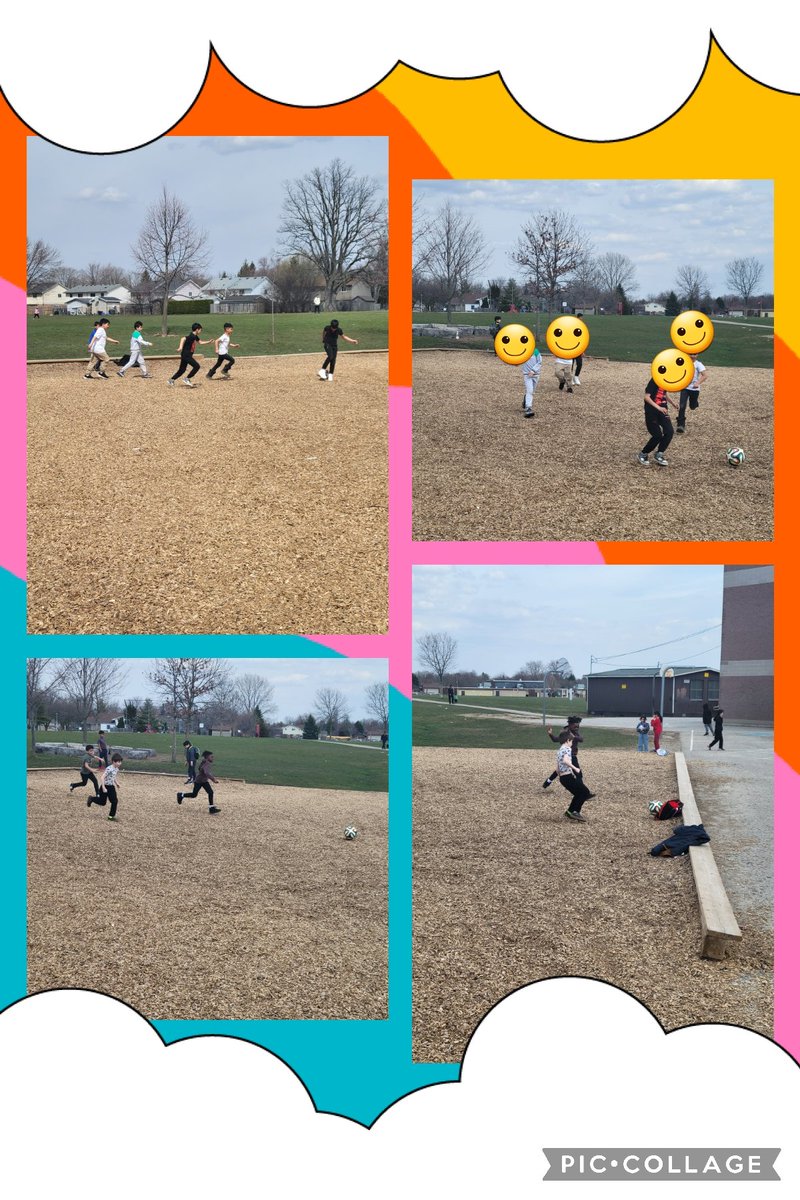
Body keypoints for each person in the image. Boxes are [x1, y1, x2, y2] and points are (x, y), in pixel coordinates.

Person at [637, 376, 680, 467]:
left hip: (663, 410)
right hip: (652, 411)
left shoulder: (665, 380)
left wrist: (672, 403)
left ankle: (659, 454)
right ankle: (643, 454)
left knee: (669, 432)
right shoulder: (654, 380)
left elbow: (664, 393)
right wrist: (659, 407)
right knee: (657, 435)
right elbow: (646, 397)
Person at [556, 731, 594, 821]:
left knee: (578, 793)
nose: (572, 743)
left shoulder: (560, 750)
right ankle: (575, 812)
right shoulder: (567, 749)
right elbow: (566, 761)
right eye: (572, 741)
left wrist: (559, 773)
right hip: (568, 777)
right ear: (568, 740)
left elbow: (557, 767)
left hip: (563, 778)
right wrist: (575, 769)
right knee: (585, 792)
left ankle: (569, 812)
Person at [543, 716, 587, 789]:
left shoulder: (575, 733)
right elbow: (556, 739)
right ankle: (583, 791)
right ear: (570, 725)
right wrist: (550, 734)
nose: (577, 726)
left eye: (578, 725)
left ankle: (548, 781)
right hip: (569, 755)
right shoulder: (565, 732)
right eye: (575, 725)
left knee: (559, 770)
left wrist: (573, 737)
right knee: (578, 773)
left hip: (572, 755)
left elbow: (581, 739)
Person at [168, 322, 213, 388]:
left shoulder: (195, 336)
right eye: (200, 329)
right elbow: (183, 338)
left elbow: (200, 342)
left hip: (185, 355)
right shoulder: (191, 336)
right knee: (197, 366)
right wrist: (180, 347)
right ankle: (187, 379)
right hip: (186, 355)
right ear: (197, 329)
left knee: (182, 370)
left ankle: (171, 380)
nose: (201, 331)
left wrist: (208, 342)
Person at [676, 355, 708, 434]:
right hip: (685, 388)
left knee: (692, 407)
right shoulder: (684, 363)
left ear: (697, 355)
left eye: (695, 354)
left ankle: (695, 403)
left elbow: (705, 375)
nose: (692, 356)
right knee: (682, 406)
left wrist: (697, 383)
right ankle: (681, 425)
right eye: (691, 354)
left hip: (694, 389)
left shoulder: (698, 364)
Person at [89, 752, 124, 820]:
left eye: (120, 762)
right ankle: (91, 799)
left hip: (111, 787)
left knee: (114, 801)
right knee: (102, 802)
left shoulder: (116, 769)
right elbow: (102, 777)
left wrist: (117, 783)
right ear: (114, 761)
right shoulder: (109, 769)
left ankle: (111, 816)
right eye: (118, 762)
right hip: (104, 786)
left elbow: (113, 777)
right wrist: (104, 787)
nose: (120, 763)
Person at [522, 345, 542, 418]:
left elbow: (539, 362)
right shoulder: (521, 351)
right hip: (527, 374)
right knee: (530, 391)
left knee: (532, 391)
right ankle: (528, 408)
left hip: (536, 374)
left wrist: (533, 370)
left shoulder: (536, 351)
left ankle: (526, 399)